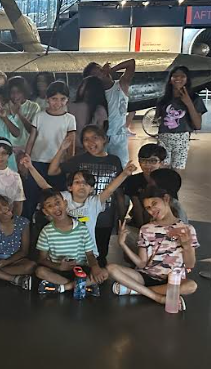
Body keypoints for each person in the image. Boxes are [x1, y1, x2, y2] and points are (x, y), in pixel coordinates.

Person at [27, 142, 136, 266]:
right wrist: (30, 167)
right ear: (70, 187)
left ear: (91, 189)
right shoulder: (65, 198)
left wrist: (124, 174)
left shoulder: (94, 203)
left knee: (99, 273)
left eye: (86, 183)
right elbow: (45, 186)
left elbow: (110, 189)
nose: (82, 185)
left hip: (87, 254)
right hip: (65, 250)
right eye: (77, 182)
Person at [48, 126, 133, 265]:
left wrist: (121, 215)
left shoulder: (114, 161)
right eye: (86, 139)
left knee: (100, 254)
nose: (90, 142)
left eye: (95, 137)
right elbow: (52, 171)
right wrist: (62, 149)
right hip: (82, 216)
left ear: (104, 139)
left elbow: (117, 191)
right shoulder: (78, 160)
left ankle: (97, 274)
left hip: (105, 217)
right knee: (79, 253)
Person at [108, 186, 197, 311]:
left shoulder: (187, 229)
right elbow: (142, 263)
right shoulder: (146, 229)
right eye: (148, 208)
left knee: (191, 286)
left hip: (172, 280)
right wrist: (122, 244)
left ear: (166, 199)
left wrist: (187, 246)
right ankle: (157, 297)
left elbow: (190, 264)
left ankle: (136, 291)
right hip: (146, 276)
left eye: (154, 204)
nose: (152, 210)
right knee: (111, 268)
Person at [34, 189, 107, 295]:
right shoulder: (46, 231)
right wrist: (59, 266)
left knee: (104, 272)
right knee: (40, 271)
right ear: (45, 211)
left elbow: (90, 254)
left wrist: (95, 267)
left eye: (58, 203)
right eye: (50, 206)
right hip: (59, 270)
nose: (55, 207)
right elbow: (41, 259)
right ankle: (82, 286)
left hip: (80, 270)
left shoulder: (82, 228)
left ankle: (65, 287)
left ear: (65, 203)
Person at [23, 80, 75, 220]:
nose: (58, 103)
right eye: (54, 99)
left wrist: (69, 166)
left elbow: (71, 144)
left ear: (67, 100)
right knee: (31, 197)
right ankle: (29, 226)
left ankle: (55, 226)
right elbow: (31, 139)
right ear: (47, 99)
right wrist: (26, 160)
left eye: (62, 99)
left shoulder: (70, 119)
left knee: (55, 199)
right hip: (36, 162)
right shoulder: (39, 116)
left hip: (57, 165)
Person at [84, 59, 135, 167]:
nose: (102, 73)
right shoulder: (95, 95)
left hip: (119, 137)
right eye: (97, 74)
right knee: (101, 167)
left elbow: (131, 63)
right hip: (100, 137)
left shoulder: (121, 85)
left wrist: (113, 69)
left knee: (122, 166)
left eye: (100, 69)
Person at [155, 66, 206, 170]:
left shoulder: (195, 99)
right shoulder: (163, 99)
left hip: (182, 138)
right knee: (162, 170)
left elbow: (198, 125)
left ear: (187, 79)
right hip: (164, 138)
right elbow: (158, 119)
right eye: (175, 76)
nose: (178, 78)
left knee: (177, 171)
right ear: (170, 79)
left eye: (182, 76)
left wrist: (188, 103)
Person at [121, 143, 167, 240]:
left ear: (161, 163)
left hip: (164, 223)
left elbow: (170, 207)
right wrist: (143, 230)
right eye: (144, 160)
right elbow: (137, 207)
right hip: (140, 222)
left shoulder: (167, 181)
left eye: (153, 161)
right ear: (139, 161)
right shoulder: (133, 180)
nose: (147, 165)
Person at [68, 76, 108, 152]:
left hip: (74, 148)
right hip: (92, 148)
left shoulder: (70, 106)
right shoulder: (100, 109)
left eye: (83, 86)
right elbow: (101, 131)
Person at [5, 75, 40, 158]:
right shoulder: (5, 107)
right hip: (9, 147)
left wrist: (19, 114)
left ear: (24, 92)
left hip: (28, 147)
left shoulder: (34, 107)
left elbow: (32, 130)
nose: (15, 96)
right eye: (12, 92)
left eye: (18, 92)